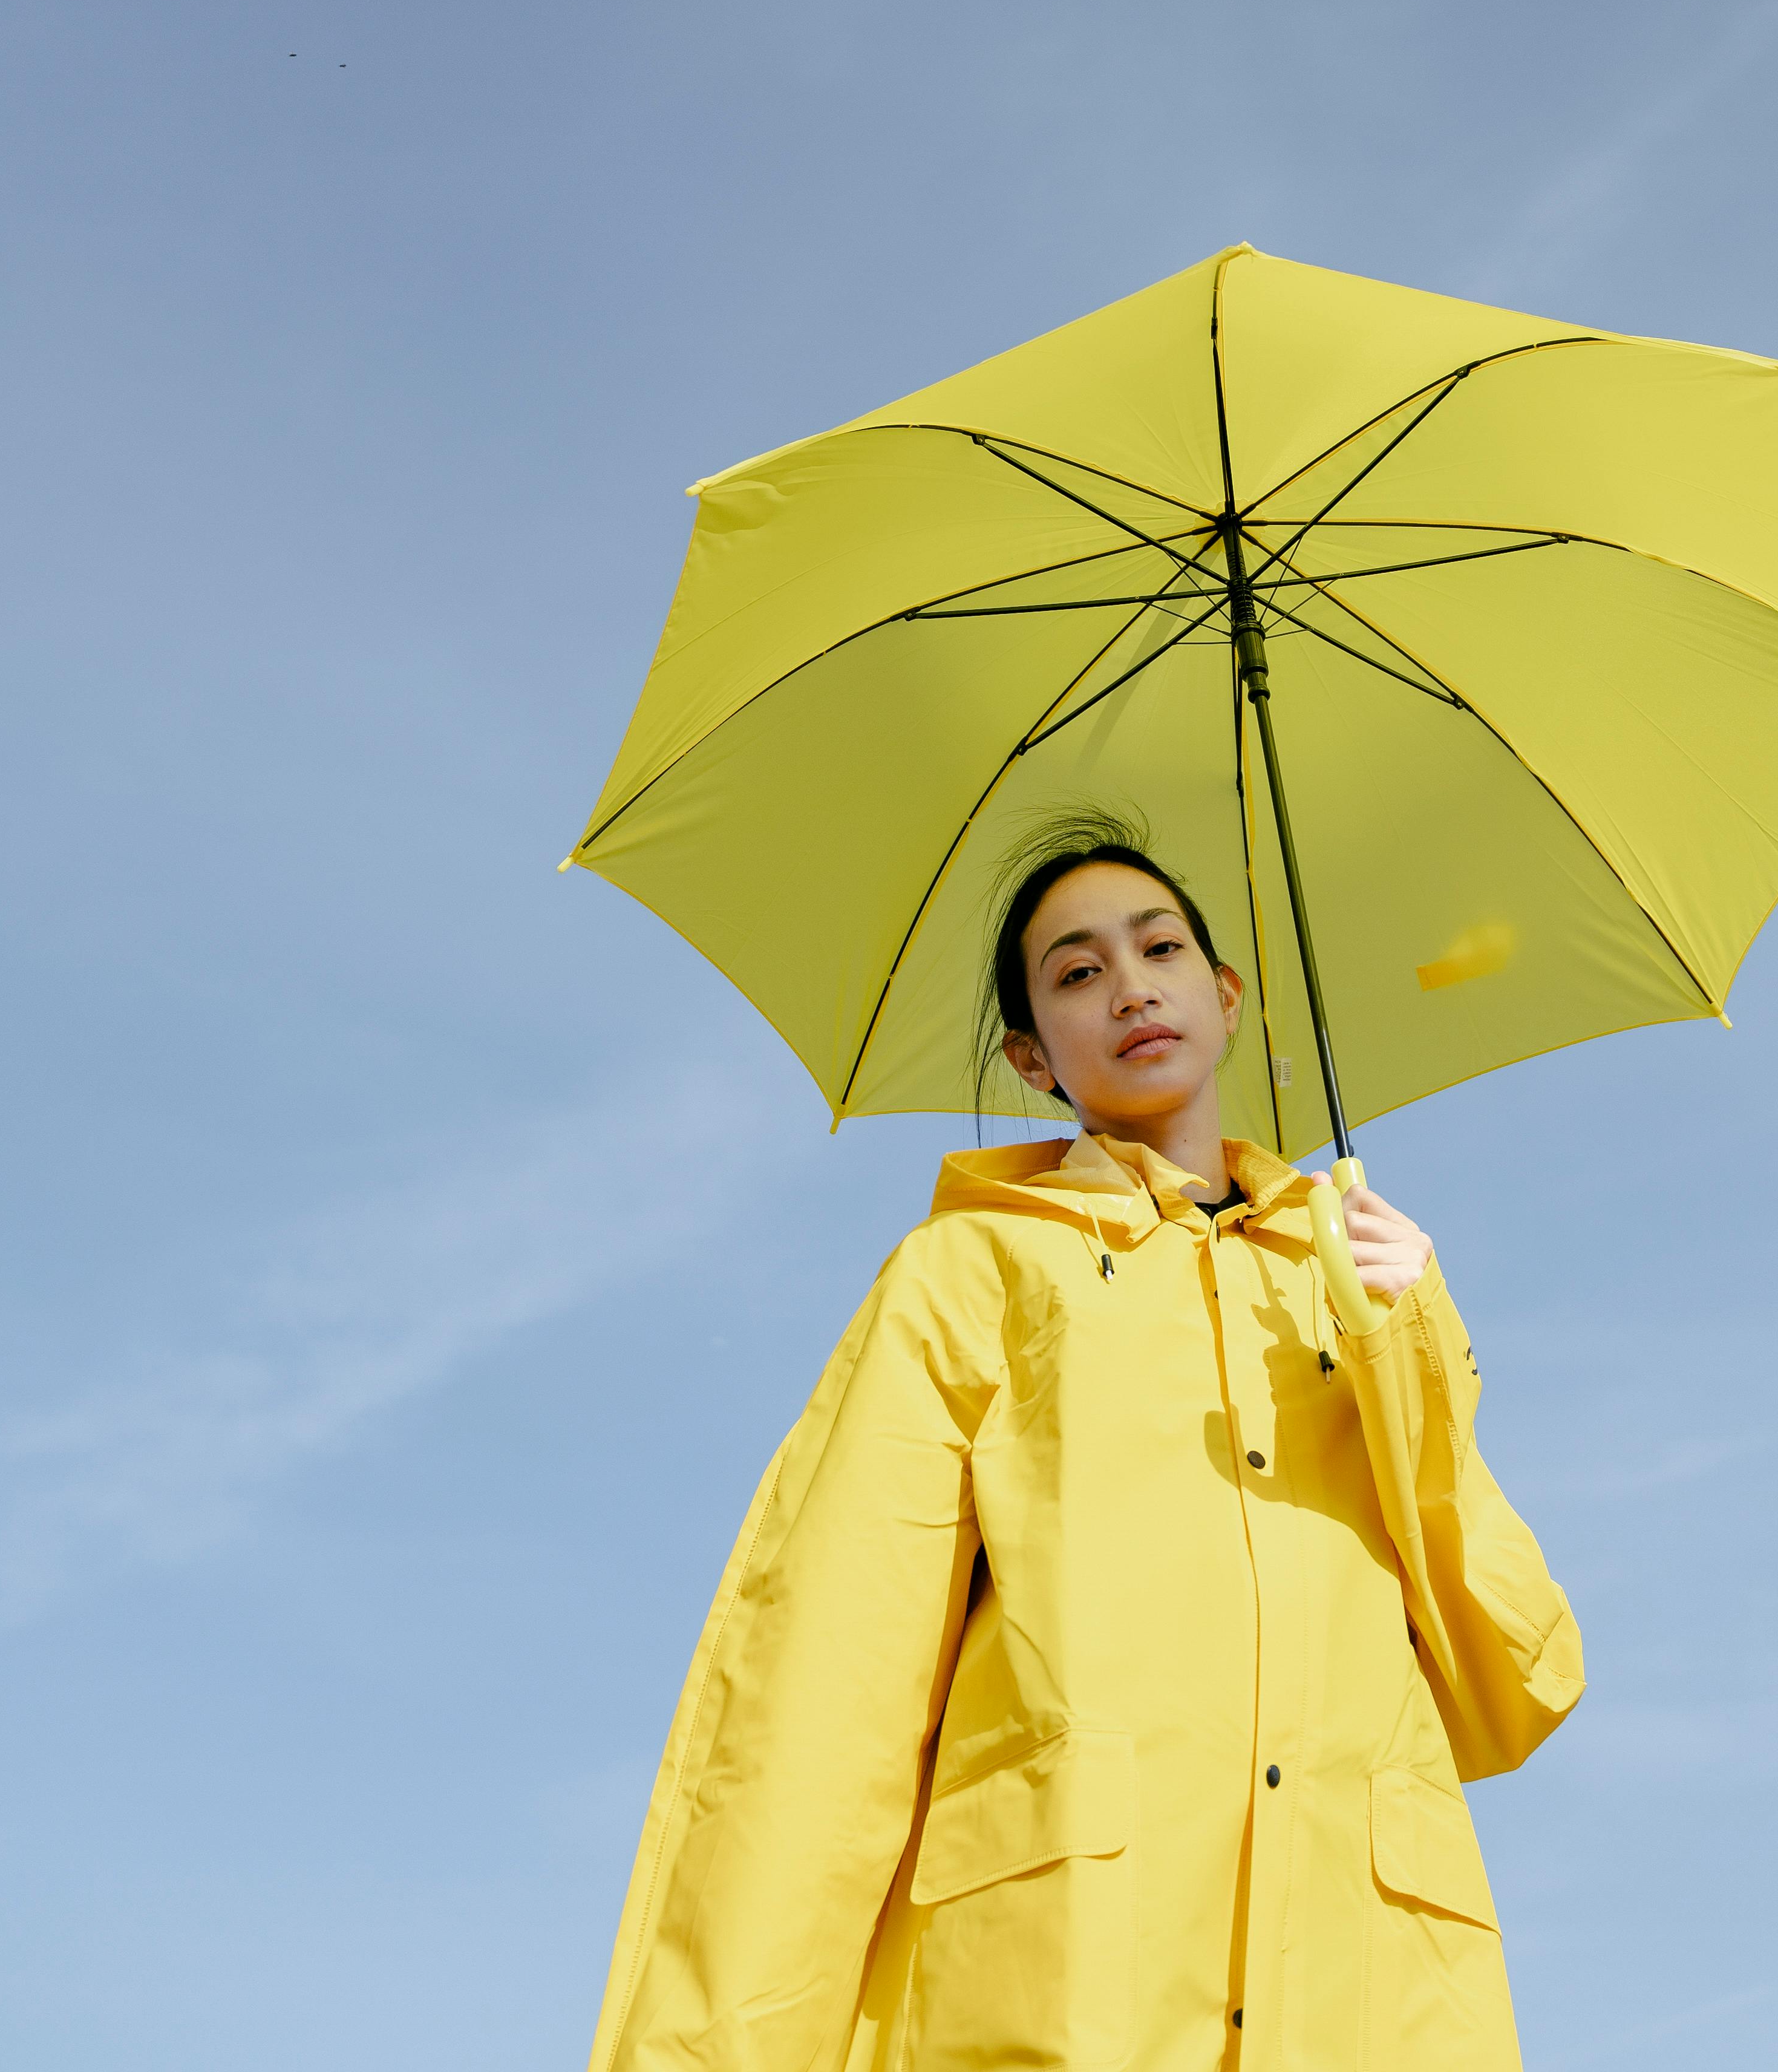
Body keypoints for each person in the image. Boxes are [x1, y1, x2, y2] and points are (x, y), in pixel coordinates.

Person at [586, 817, 1583, 2072]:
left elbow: (1515, 1676)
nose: (1130, 984)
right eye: (1076, 970)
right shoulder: (970, 1272)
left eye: (1160, 945)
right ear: (1030, 1054)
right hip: (1065, 1985)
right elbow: (821, 1682)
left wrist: (1414, 1338)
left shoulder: (1355, 1288)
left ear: (1225, 996)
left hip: (1372, 1992)